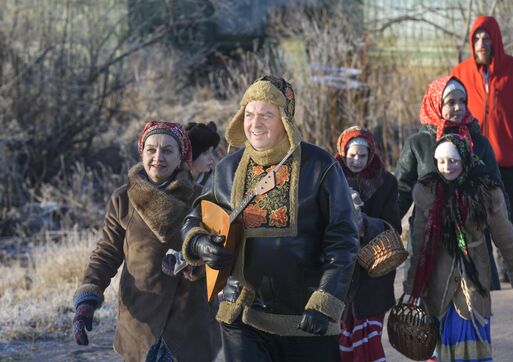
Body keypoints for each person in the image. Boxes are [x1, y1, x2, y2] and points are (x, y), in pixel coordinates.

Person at [180, 75, 359, 361]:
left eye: (266, 114)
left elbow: (343, 240)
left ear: (285, 119)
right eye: (249, 114)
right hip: (243, 315)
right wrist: (200, 244)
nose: (255, 123)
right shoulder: (227, 169)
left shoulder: (320, 166)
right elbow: (194, 219)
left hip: (308, 320)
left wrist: (324, 302)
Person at [72, 120, 220, 362]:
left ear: (182, 155)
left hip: (191, 324)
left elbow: (218, 252)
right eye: (151, 149)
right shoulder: (123, 199)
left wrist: (195, 264)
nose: (158, 157)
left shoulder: (201, 199)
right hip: (140, 322)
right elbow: (107, 252)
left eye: (167, 150)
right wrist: (87, 298)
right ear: (142, 152)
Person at [404, 133, 513, 362]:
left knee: (471, 331)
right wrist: (413, 283)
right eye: (441, 162)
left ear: (464, 159)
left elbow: (505, 236)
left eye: (453, 161)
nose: (447, 167)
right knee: (441, 340)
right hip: (437, 280)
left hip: (472, 278)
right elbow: (418, 241)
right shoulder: (428, 191)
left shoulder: (484, 191)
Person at [450, 15, 513, 280]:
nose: (481, 44)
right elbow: (449, 110)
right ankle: (483, 268)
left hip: (509, 160)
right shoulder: (460, 73)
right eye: (476, 39)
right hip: (473, 161)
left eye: (486, 39)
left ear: (496, 41)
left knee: (511, 215)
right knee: (477, 217)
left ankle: (512, 267)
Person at [396, 75, 504, 291]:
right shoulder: (418, 144)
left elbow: (496, 189)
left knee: (470, 309)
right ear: (436, 103)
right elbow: (402, 190)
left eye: (462, 101)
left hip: (471, 236)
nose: (458, 107)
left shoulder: (478, 142)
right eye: (451, 102)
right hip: (429, 236)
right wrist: (383, 224)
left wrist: (505, 238)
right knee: (432, 307)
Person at [334, 126, 401, 362]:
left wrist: (367, 225)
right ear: (342, 152)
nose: (357, 161)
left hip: (374, 271)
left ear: (371, 154)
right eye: (351, 155)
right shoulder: (331, 179)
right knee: (342, 338)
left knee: (369, 336)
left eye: (362, 156)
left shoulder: (386, 183)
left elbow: (393, 227)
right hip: (340, 273)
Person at [186, 121, 221, 185]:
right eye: (205, 153)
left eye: (212, 152)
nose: (212, 158)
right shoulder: (171, 183)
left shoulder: (214, 183)